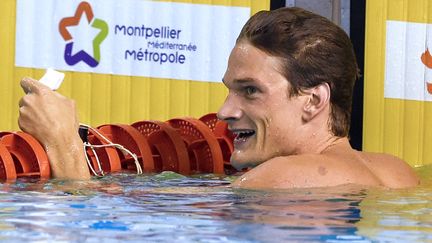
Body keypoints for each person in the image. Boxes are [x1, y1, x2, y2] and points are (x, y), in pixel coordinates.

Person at [18, 7, 419, 188]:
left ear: (313, 101)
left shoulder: (280, 179)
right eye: (230, 89)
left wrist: (62, 143)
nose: (225, 110)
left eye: (250, 91)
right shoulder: (398, 173)